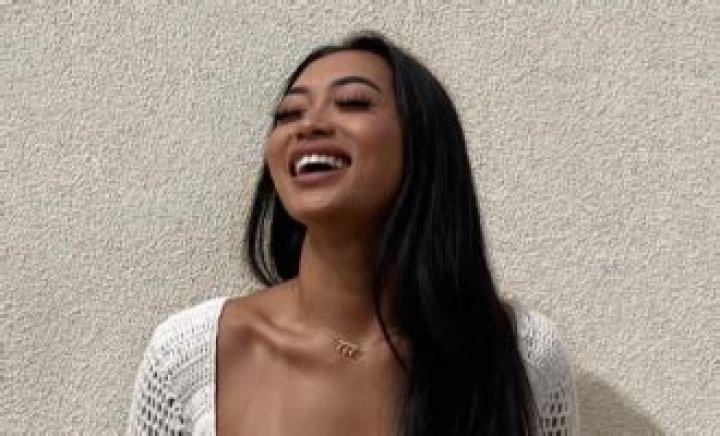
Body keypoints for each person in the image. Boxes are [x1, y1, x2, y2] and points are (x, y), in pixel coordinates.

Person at [127, 32, 578, 436]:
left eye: (353, 103)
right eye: (288, 114)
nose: (309, 125)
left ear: (424, 143)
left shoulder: (521, 354)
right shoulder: (190, 356)